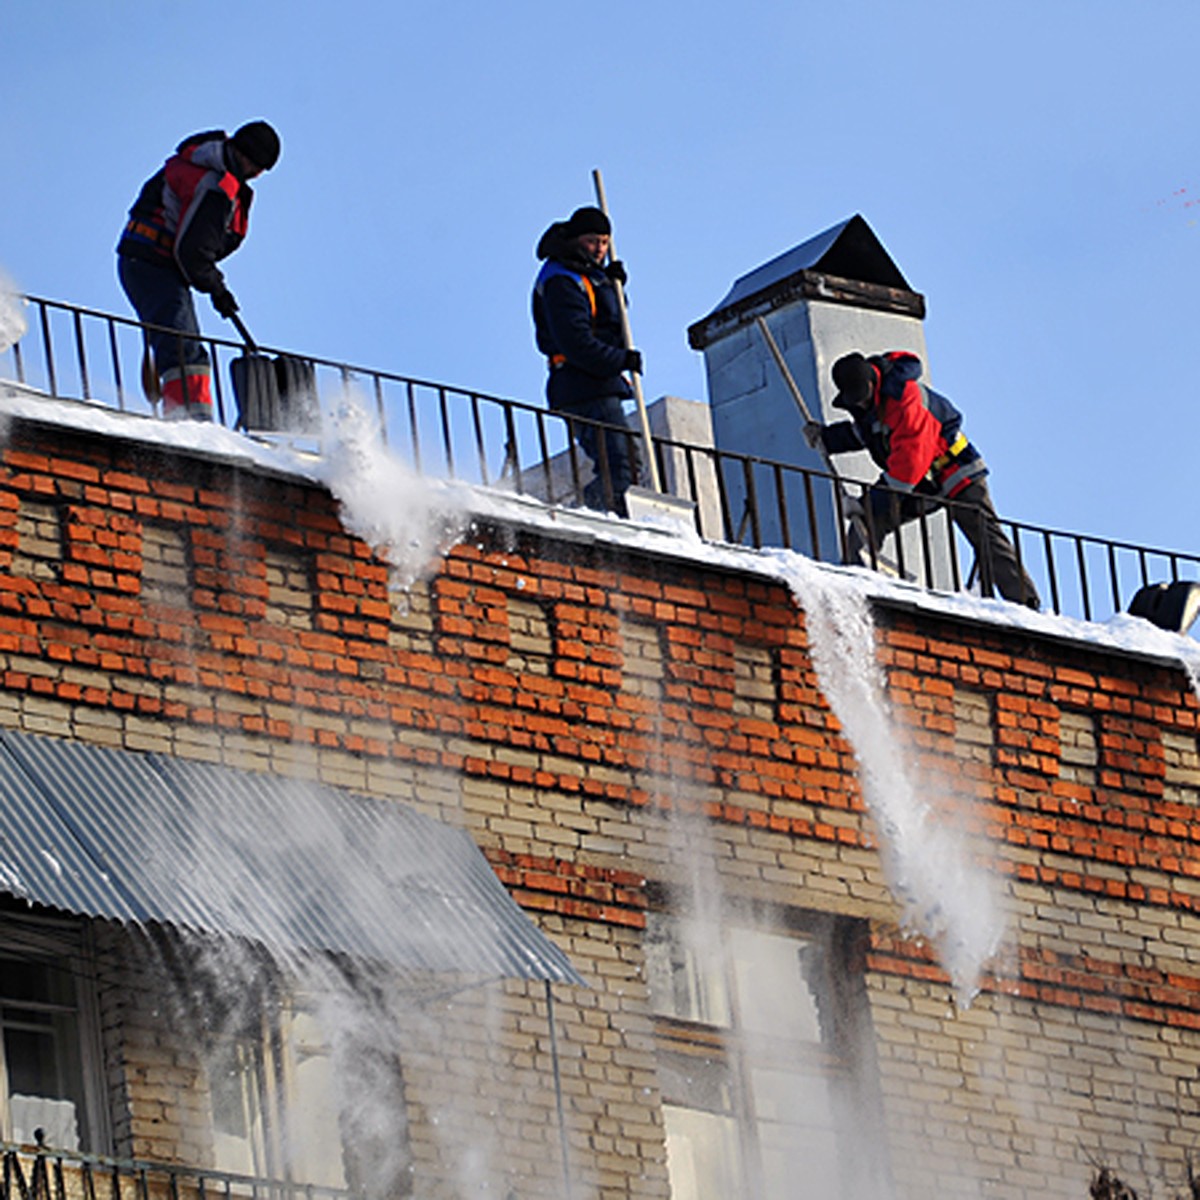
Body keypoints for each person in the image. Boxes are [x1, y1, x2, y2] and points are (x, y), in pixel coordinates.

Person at [809, 350, 1041, 608]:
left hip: (954, 471)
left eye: (861, 398)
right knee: (868, 524)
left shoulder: (904, 399)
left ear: (872, 383)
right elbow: (867, 434)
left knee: (985, 537)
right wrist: (826, 438)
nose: (860, 405)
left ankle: (1025, 604)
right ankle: (856, 588)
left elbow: (907, 467)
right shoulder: (868, 402)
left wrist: (865, 502)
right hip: (922, 481)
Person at [116, 121, 281, 421]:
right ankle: (191, 426)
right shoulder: (215, 184)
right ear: (248, 159)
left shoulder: (209, 167)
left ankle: (189, 419)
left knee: (179, 345)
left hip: (150, 264)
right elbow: (191, 251)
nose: (258, 175)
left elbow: (194, 250)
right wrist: (217, 288)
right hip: (153, 264)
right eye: (259, 167)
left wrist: (212, 284)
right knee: (184, 352)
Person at [532, 206, 642, 517]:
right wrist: (621, 360)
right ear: (577, 239)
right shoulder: (561, 280)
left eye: (605, 242)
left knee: (628, 464)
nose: (600, 250)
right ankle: (596, 519)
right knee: (618, 467)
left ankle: (607, 515)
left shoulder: (588, 275)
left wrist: (612, 284)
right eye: (593, 241)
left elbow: (610, 324)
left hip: (600, 381)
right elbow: (577, 342)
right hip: (581, 383)